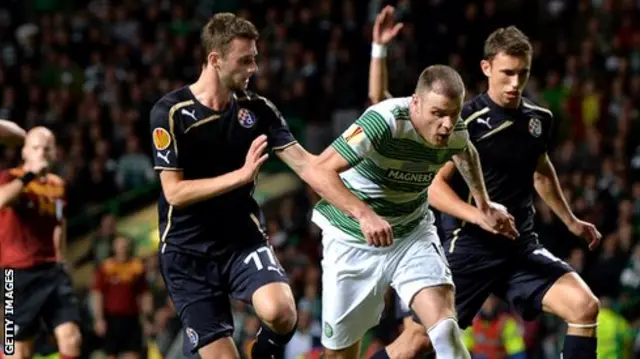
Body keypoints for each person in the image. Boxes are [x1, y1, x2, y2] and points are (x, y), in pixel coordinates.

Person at [367, 7, 602, 359]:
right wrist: (480, 215)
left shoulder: (539, 120)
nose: (515, 83)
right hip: (469, 249)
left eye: (522, 74)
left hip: (520, 247)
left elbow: (540, 169)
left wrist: (571, 221)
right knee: (415, 344)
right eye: (507, 73)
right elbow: (434, 188)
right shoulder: (462, 121)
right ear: (486, 68)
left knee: (585, 307)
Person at [304, 58, 518, 357]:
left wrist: (483, 203)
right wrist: (365, 214)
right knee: (340, 354)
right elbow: (317, 170)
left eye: (453, 114)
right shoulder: (384, 121)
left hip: (411, 234)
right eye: (437, 113)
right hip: (352, 239)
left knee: (443, 331)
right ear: (415, 103)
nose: (446, 124)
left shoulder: (454, 129)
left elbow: (465, 151)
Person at [150, 12, 319, 359]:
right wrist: (240, 178)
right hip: (187, 252)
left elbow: (308, 165)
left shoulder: (258, 110)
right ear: (215, 60)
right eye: (245, 60)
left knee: (282, 313)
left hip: (240, 238)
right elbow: (174, 193)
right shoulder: (170, 112)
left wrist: (359, 205)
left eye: (255, 58)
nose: (253, 68)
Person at [0, 127, 82, 359]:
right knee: (15, 350)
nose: (42, 153)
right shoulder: (11, 177)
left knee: (71, 338)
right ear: (24, 152)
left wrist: (62, 259)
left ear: (55, 153)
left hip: (52, 271)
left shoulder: (58, 185)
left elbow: (59, 224)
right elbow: (2, 199)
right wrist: (29, 175)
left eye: (47, 148)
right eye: (36, 148)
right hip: (15, 276)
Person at [91, 235, 153, 359]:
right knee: (111, 354)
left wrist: (147, 319)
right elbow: (97, 294)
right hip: (111, 318)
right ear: (114, 247)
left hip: (132, 318)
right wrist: (98, 318)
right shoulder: (106, 267)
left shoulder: (137, 267)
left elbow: (144, 293)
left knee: (133, 353)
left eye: (125, 245)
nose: (123, 248)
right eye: (120, 246)